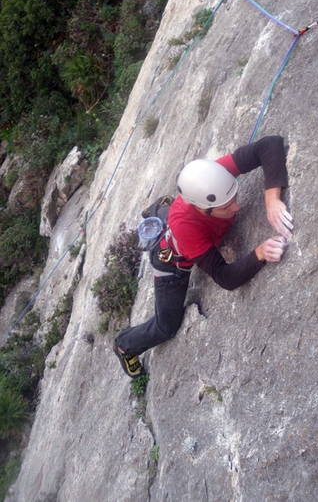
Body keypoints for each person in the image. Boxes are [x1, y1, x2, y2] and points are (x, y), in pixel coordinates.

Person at [113, 135, 293, 377]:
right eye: (226, 207)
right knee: (166, 327)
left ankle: (157, 209)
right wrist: (259, 254)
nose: (236, 208)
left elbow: (269, 144)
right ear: (201, 208)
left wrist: (272, 198)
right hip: (172, 261)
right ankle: (125, 345)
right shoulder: (187, 230)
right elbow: (224, 277)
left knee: (174, 211)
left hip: (181, 216)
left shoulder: (214, 176)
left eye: (234, 199)